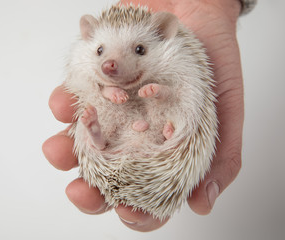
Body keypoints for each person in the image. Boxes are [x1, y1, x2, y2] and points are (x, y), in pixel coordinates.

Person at [43, 0, 255, 232]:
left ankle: (128, 137)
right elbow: (85, 86)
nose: (109, 64)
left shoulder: (180, 63)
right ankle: (101, 136)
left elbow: (184, 97)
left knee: (174, 103)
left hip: (154, 137)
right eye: (101, 51)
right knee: (97, 108)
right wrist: (105, 89)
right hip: (124, 135)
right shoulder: (87, 69)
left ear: (165, 34)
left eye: (139, 50)